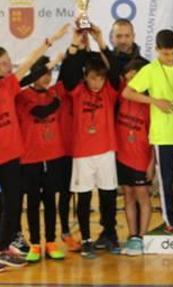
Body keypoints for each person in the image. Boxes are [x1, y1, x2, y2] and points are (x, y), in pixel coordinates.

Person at [0, 24, 69, 270]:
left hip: (12, 157)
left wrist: (51, 42)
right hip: (9, 158)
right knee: (9, 204)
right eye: (4, 63)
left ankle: (6, 247)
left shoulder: (8, 86)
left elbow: (29, 67)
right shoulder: (13, 90)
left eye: (8, 62)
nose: (9, 66)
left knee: (14, 204)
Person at [123, 30, 173, 234]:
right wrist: (155, 101)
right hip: (163, 136)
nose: (170, 58)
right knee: (166, 180)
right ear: (156, 50)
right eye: (165, 54)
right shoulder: (149, 70)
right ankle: (170, 220)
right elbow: (127, 92)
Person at [59, 25, 120, 259]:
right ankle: (86, 239)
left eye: (101, 79)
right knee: (83, 197)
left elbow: (115, 69)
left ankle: (111, 233)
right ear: (85, 77)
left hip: (106, 151)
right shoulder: (76, 91)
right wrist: (76, 45)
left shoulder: (109, 91)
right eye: (93, 79)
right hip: (83, 153)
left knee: (108, 196)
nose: (97, 83)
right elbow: (67, 72)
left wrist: (101, 40)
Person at [16, 56, 68, 262]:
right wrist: (56, 101)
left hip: (53, 156)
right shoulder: (23, 96)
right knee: (33, 201)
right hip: (30, 158)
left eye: (49, 73)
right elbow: (41, 112)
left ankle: (51, 241)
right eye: (43, 74)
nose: (47, 78)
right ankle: (36, 243)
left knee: (50, 200)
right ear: (35, 75)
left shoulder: (55, 91)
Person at [115, 59, 154, 256]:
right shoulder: (122, 96)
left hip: (141, 158)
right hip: (122, 157)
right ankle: (132, 236)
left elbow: (154, 137)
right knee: (128, 196)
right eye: (129, 72)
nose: (132, 76)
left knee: (142, 197)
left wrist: (151, 163)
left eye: (136, 73)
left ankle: (143, 236)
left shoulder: (149, 104)